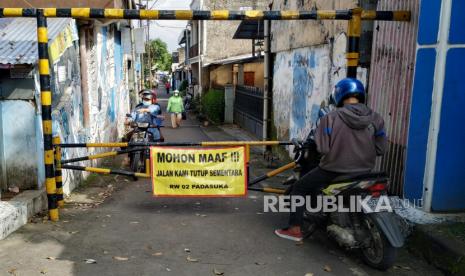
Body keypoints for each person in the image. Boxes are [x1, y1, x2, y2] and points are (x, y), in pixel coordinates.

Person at [274, 78, 387, 242]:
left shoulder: (330, 117)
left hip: (333, 170)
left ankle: (294, 230)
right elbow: (381, 149)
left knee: (299, 189)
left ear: (338, 95)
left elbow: (323, 149)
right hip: (365, 171)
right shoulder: (376, 119)